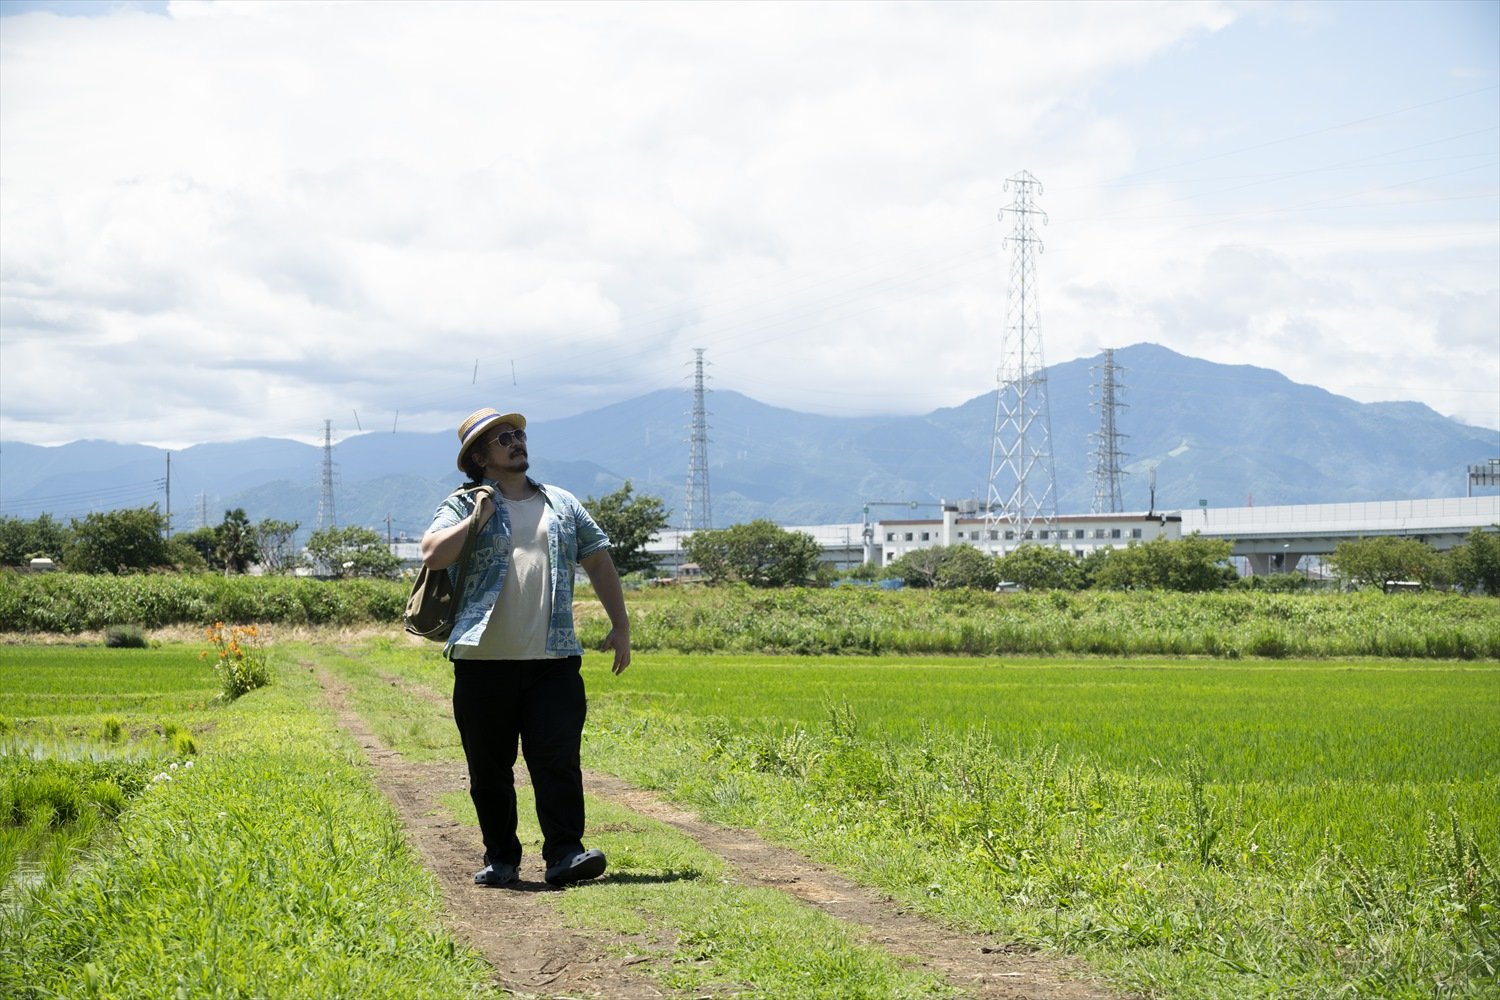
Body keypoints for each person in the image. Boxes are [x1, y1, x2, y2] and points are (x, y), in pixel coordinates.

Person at [420, 407, 631, 888]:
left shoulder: (561, 503)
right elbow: (432, 554)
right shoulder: (464, 504)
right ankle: (502, 859)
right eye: (503, 439)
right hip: (482, 662)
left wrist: (620, 625)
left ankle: (565, 855)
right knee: (489, 769)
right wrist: (476, 519)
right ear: (480, 456)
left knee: (557, 760)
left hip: (553, 660)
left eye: (519, 434)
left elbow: (598, 561)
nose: (517, 442)